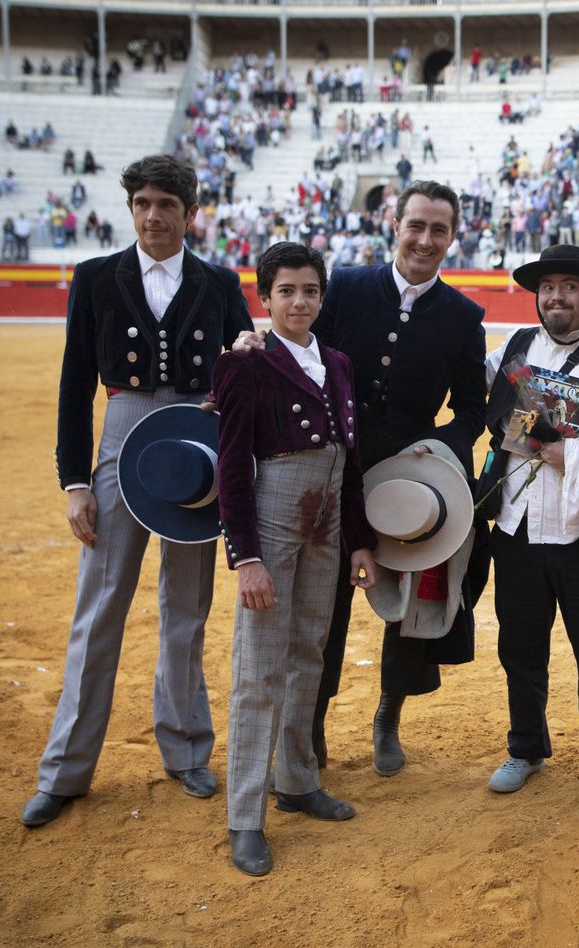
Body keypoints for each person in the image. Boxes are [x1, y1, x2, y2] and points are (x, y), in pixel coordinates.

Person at [21, 154, 253, 828]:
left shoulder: (218, 281)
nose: (153, 217)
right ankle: (65, 770)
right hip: (122, 431)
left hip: (197, 436)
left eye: (166, 205)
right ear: (131, 209)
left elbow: (243, 368)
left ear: (191, 213)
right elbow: (74, 384)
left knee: (187, 606)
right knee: (98, 608)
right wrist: (75, 481)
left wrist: (244, 359)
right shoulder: (96, 276)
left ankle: (186, 751)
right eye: (143, 204)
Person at [232, 180, 487, 776]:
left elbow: (471, 410)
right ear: (394, 226)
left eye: (439, 229)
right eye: (415, 225)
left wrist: (437, 449)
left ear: (453, 237)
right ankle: (310, 725)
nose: (425, 239)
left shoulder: (463, 316)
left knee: (411, 604)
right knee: (324, 606)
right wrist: (255, 343)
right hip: (330, 469)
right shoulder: (343, 286)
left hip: (412, 484)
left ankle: (388, 715)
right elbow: (296, 346)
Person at [213, 243, 379, 876]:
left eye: (310, 291)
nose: (299, 302)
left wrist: (357, 540)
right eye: (286, 291)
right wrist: (246, 559)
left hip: (327, 519)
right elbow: (232, 469)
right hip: (274, 519)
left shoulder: (337, 363)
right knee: (259, 666)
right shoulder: (244, 364)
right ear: (265, 298)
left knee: (310, 649)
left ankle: (297, 780)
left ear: (321, 297)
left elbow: (350, 461)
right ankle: (244, 816)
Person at [478, 246, 579, 810]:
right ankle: (525, 748)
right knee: (519, 648)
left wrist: (575, 452)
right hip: (515, 526)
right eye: (548, 287)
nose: (557, 297)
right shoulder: (512, 349)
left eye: (570, 286)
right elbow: (466, 379)